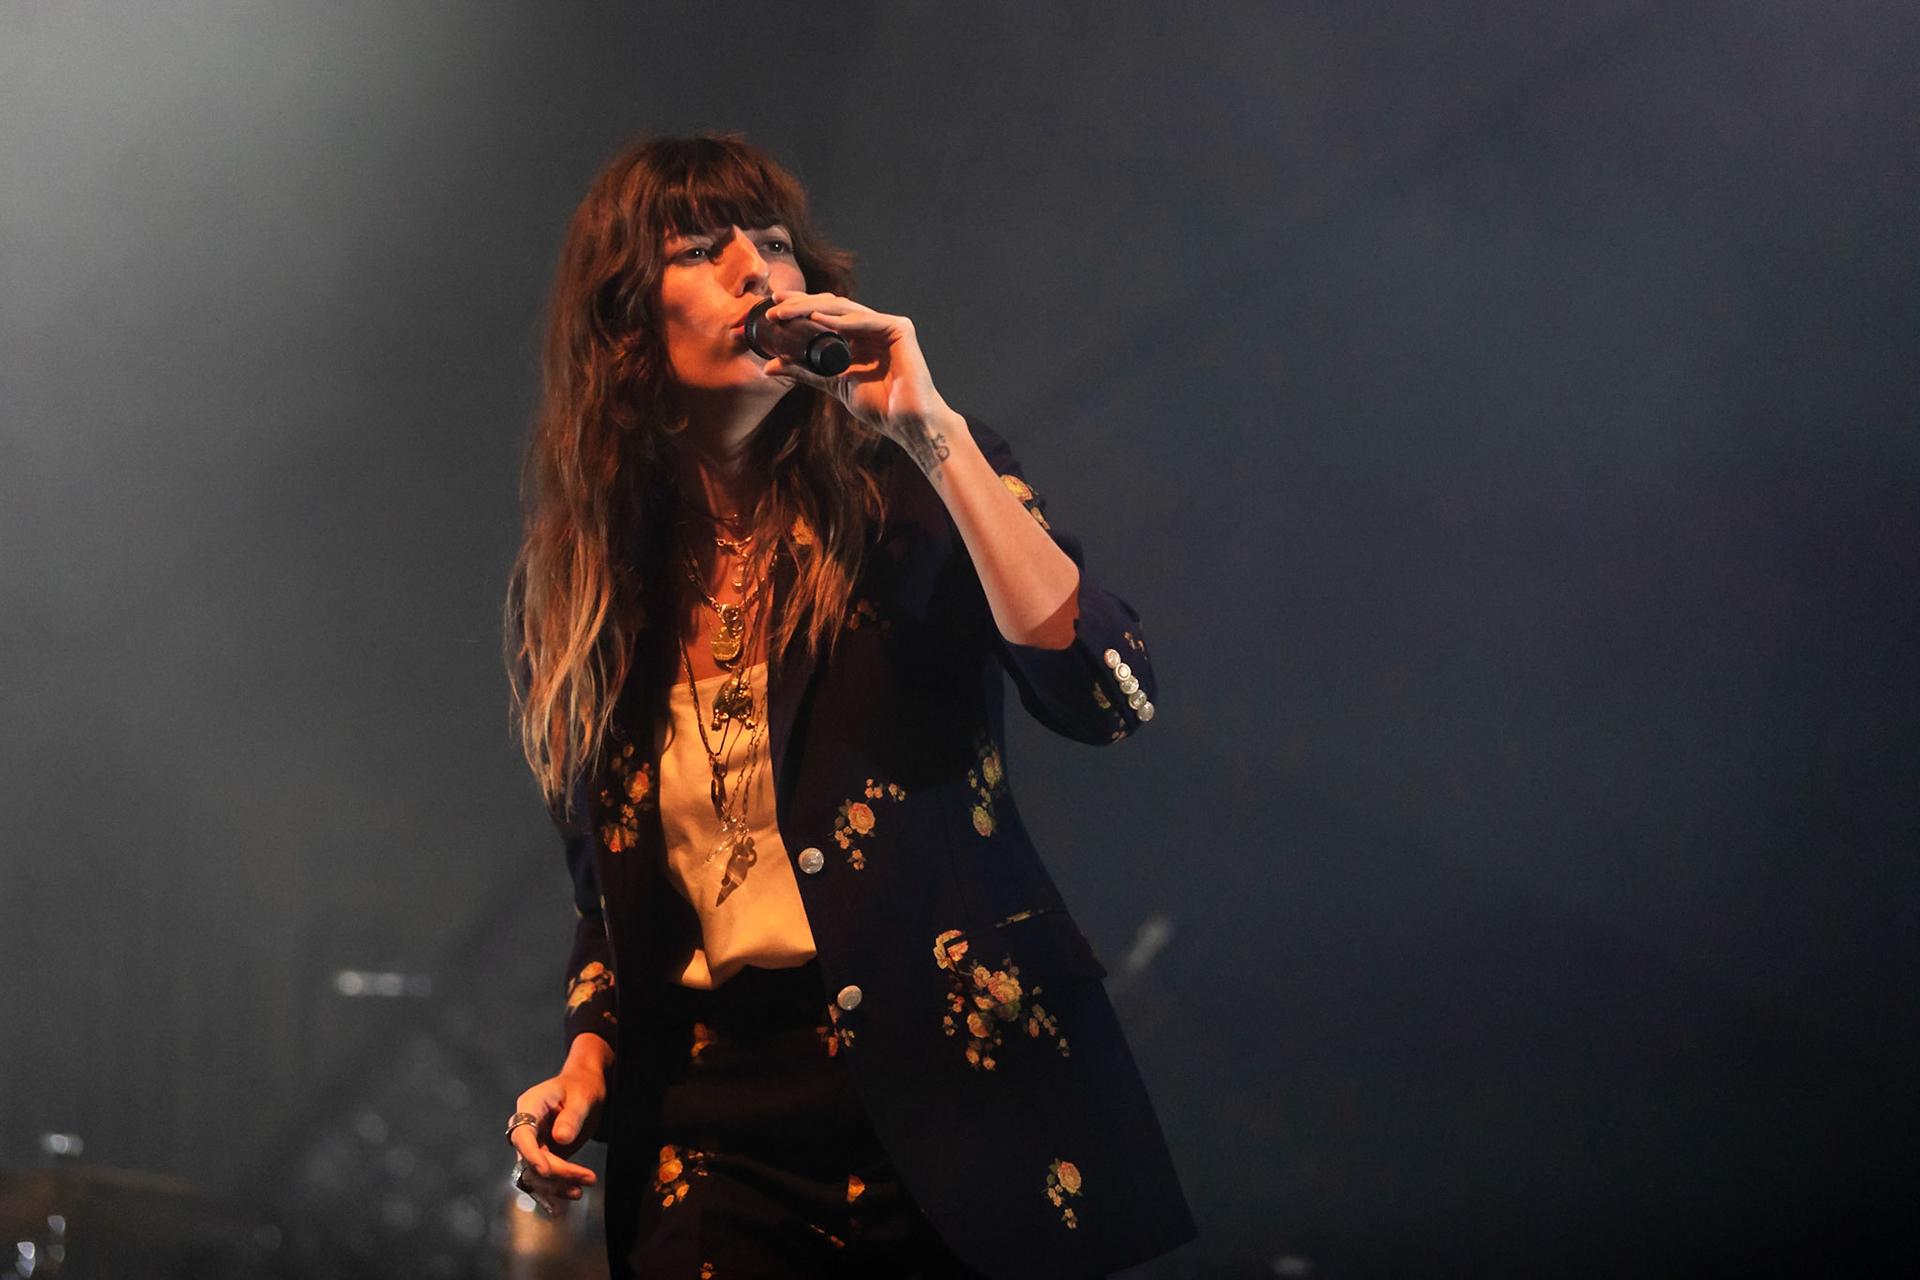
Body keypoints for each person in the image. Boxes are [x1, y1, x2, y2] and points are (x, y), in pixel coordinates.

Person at [502, 134, 1193, 1279]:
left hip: (956, 1089)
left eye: (770, 242)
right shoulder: (583, 587)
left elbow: (1107, 693)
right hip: (715, 1126)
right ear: (627, 323)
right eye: (698, 249)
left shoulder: (908, 499)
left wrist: (934, 433)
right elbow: (607, 890)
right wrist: (586, 1054)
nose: (752, 271)